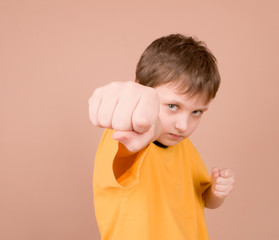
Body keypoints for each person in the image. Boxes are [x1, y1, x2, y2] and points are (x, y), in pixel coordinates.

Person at [88, 34, 235, 240]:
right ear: (140, 89)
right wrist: (145, 120)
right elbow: (141, 137)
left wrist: (217, 193)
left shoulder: (185, 147)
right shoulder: (123, 136)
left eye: (197, 112)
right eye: (172, 106)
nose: (183, 126)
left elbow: (203, 199)